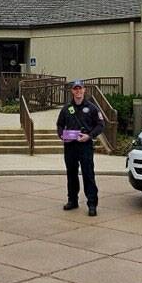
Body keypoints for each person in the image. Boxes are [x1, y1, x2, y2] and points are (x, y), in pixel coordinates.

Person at [56, 80, 105, 216]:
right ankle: (72, 200)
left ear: (84, 90)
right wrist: (62, 135)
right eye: (75, 89)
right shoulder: (66, 109)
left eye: (80, 88)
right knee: (71, 174)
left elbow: (100, 125)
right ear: (72, 91)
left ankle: (92, 204)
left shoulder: (92, 108)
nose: (78, 91)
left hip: (85, 145)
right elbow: (60, 125)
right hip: (70, 146)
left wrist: (89, 136)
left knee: (88, 174)